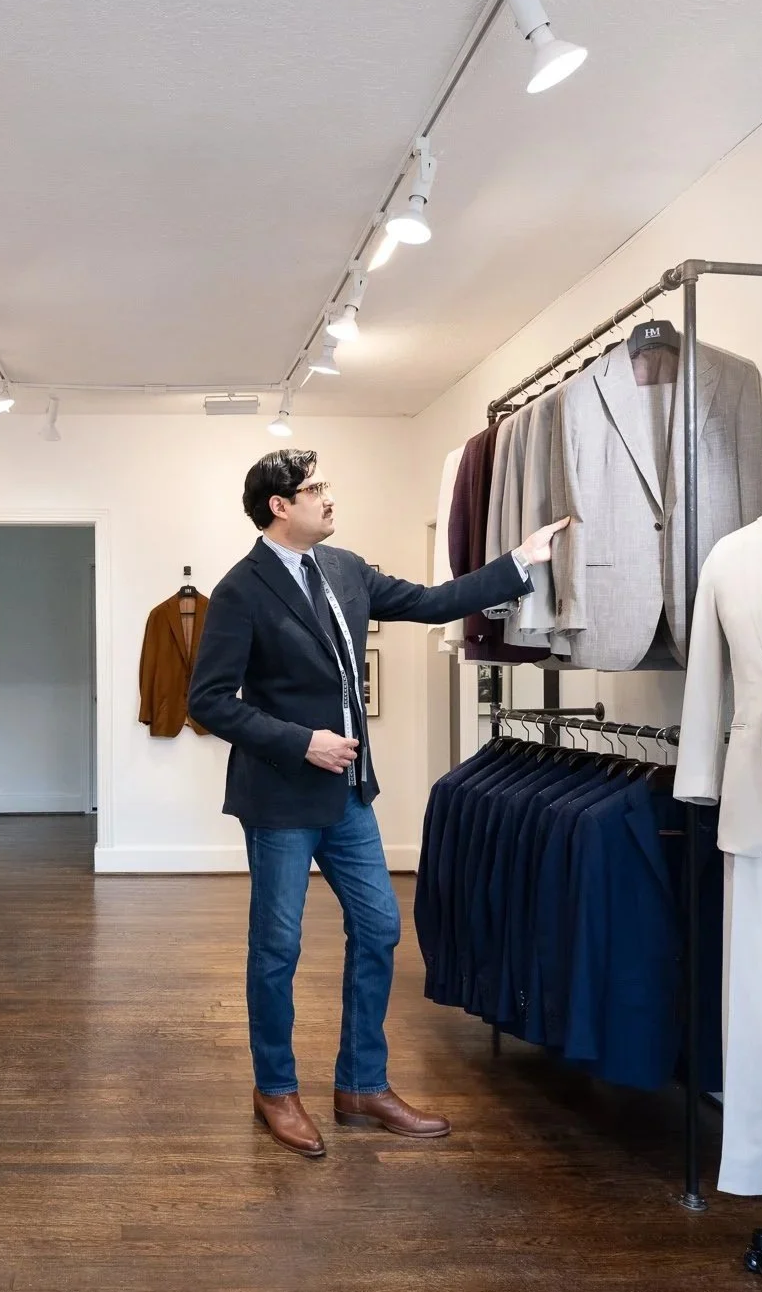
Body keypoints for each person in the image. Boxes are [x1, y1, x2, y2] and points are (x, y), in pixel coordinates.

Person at [188, 448, 567, 1157]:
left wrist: (518, 562)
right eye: (314, 489)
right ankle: (275, 1089)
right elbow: (207, 701)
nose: (328, 499)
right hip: (280, 798)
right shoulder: (240, 589)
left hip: (348, 795)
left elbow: (428, 603)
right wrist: (300, 741)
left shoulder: (345, 569)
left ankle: (361, 1083)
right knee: (277, 949)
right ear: (279, 505)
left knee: (381, 929)